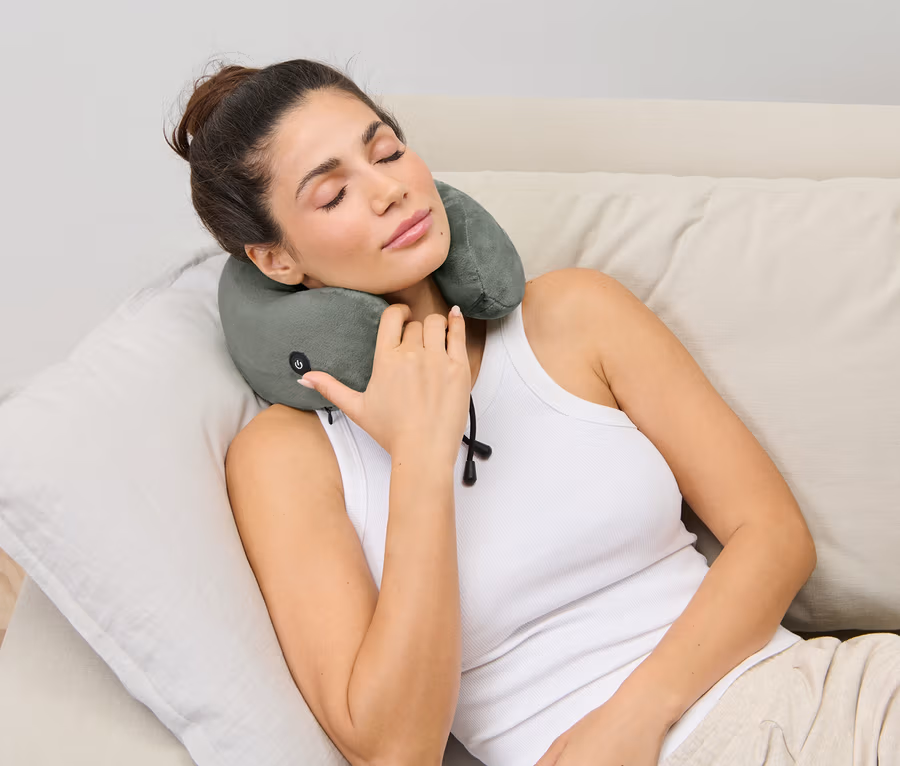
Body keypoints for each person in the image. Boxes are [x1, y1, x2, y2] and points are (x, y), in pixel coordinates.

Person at [166, 58, 900, 766]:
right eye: (332, 195)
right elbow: (394, 750)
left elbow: (773, 536)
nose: (388, 190)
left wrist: (634, 719)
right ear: (276, 260)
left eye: (387, 152)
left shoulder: (576, 314)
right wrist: (420, 455)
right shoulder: (286, 458)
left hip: (828, 703)